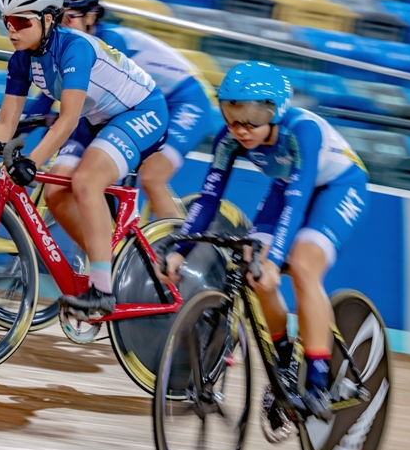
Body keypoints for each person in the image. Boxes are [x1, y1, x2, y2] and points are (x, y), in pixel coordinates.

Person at [0, 0, 168, 317]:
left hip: (142, 111)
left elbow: (67, 119)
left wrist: (31, 161)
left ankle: (103, 290)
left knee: (86, 181)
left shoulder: (74, 47)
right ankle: (112, 265)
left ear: (48, 19)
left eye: (20, 21)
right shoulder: (21, 59)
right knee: (55, 195)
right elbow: (6, 122)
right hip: (99, 119)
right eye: (6, 20)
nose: (11, 30)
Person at [157, 61, 369, 422]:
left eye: (254, 115)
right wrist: (180, 250)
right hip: (287, 187)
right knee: (254, 270)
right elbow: (208, 199)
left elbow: (298, 200)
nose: (241, 127)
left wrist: (276, 260)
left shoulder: (302, 130)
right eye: (232, 113)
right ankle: (284, 359)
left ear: (277, 110)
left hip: (337, 186)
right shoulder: (229, 140)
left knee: (302, 265)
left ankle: (318, 379)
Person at [25, 0, 218, 218]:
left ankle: (177, 250)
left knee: (151, 176)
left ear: (91, 16)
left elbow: (119, 109)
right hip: (138, 104)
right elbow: (49, 96)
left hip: (185, 101)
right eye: (54, 19)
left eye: (68, 17)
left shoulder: (110, 42)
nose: (60, 27)